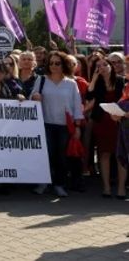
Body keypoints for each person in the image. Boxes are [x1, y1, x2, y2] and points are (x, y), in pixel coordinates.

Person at [30, 51, 84, 197]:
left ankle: (59, 184)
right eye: (51, 63)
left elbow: (77, 106)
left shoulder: (71, 83)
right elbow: (33, 97)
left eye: (57, 63)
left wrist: (78, 127)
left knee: (61, 157)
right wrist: (35, 96)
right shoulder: (41, 80)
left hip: (65, 126)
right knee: (46, 155)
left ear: (64, 64)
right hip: (45, 124)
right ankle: (43, 183)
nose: (53, 66)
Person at [85, 56, 126, 198]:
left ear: (111, 66)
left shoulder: (121, 81)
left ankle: (121, 188)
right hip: (102, 122)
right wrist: (95, 78)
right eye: (98, 66)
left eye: (104, 64)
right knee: (104, 154)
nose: (101, 67)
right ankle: (106, 187)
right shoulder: (98, 83)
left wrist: (121, 115)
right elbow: (89, 95)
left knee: (120, 155)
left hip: (119, 122)